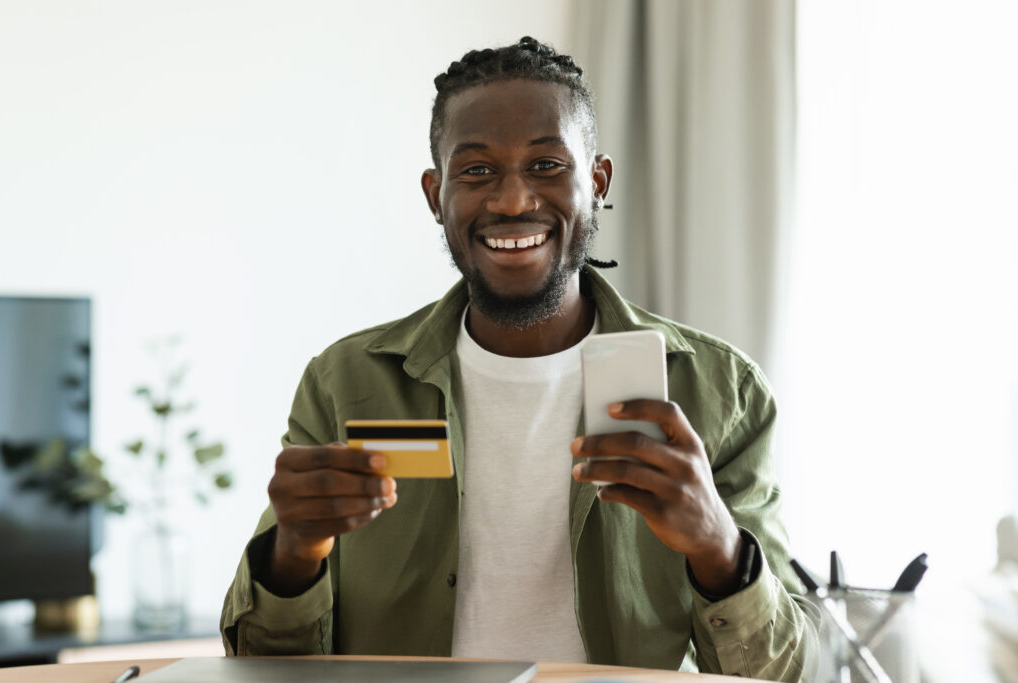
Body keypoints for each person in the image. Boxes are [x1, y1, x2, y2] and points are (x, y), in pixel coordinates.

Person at [220, 37, 818, 681]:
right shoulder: (346, 383)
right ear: (434, 193)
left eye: (547, 166)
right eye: (476, 171)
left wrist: (718, 548)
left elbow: (788, 673)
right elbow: (259, 668)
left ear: (597, 181)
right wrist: (291, 554)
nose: (511, 201)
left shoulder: (721, 390)